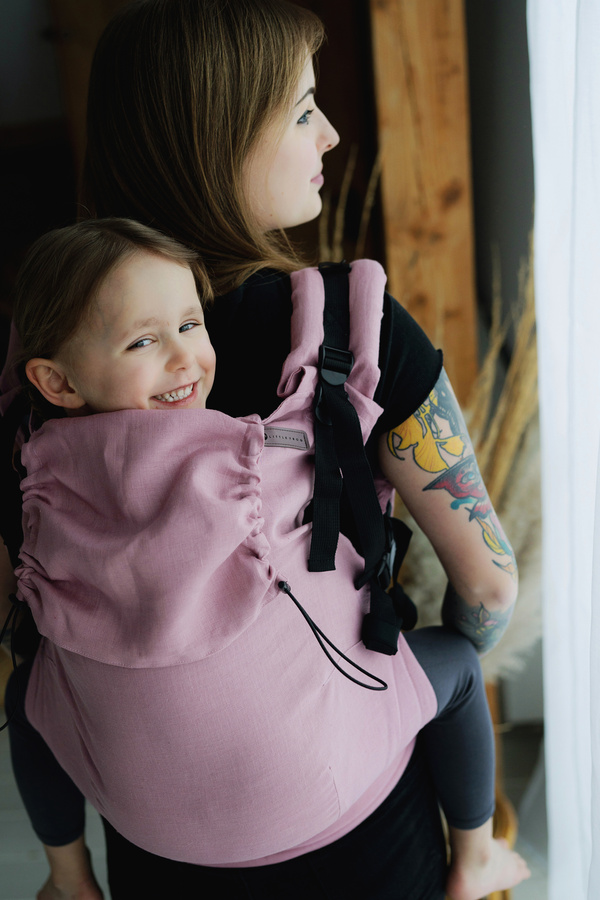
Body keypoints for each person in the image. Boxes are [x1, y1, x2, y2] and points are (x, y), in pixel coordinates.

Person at [0, 1, 531, 897]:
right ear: (214, 138)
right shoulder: (350, 332)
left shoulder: (45, 369)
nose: (329, 135)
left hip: (153, 838)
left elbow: (38, 621)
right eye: (301, 111)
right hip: (360, 824)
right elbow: (488, 586)